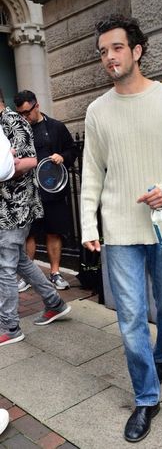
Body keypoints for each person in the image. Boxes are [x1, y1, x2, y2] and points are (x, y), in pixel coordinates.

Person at [80, 14, 162, 443]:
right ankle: (146, 398)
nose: (108, 57)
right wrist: (87, 224)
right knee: (131, 318)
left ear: (136, 50)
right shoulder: (96, 111)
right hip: (119, 231)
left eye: (116, 48)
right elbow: (92, 172)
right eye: (102, 52)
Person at [0, 89, 71, 346]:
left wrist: (11, 166)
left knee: (5, 267)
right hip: (7, 208)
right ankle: (55, 303)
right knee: (20, 261)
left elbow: (27, 162)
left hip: (15, 207)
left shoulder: (13, 122)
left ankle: (9, 327)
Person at [14, 90, 77, 292]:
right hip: (28, 190)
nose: (24, 117)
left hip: (52, 189)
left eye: (27, 112)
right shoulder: (19, 131)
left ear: (36, 106)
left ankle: (55, 273)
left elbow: (72, 150)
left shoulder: (56, 127)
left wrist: (62, 156)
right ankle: (27, 276)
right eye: (20, 114)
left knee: (53, 232)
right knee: (29, 235)